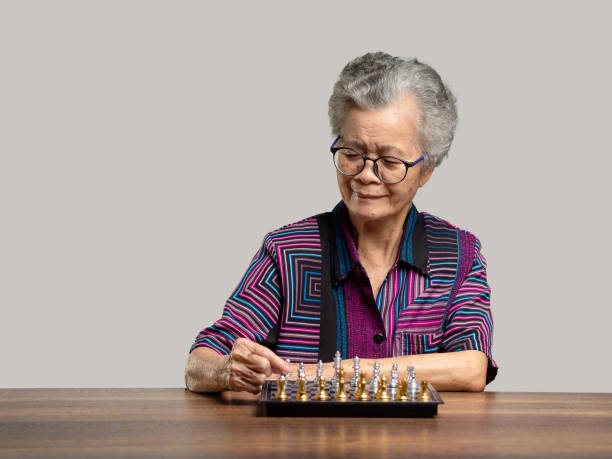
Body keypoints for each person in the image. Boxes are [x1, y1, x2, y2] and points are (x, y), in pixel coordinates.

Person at [185, 52, 498, 394]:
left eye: (389, 161)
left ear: (426, 170)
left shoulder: (457, 254)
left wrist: (342, 371)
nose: (365, 175)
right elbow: (200, 361)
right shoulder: (288, 252)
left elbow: (471, 368)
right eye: (351, 154)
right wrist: (227, 369)